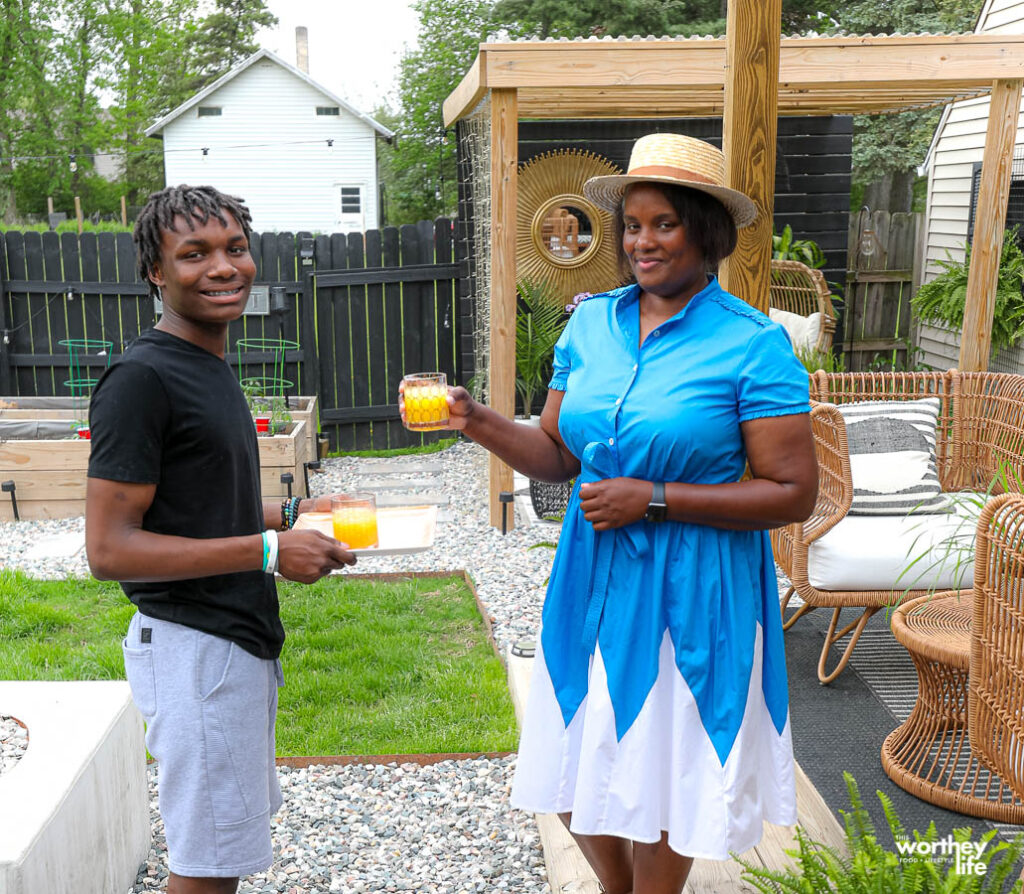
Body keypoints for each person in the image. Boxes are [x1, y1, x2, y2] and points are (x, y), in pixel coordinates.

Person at [404, 133, 818, 893]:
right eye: (632, 224)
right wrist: (476, 420)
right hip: (594, 572)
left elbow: (793, 493)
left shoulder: (753, 345)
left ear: (707, 233)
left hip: (696, 583)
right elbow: (559, 454)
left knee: (665, 764)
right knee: (575, 752)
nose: (642, 241)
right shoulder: (590, 326)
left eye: (663, 223)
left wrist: (655, 498)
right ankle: (615, 885)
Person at [85, 185, 356, 894]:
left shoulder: (206, 364)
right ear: (156, 270)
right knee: (205, 872)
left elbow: (199, 504)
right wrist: (269, 553)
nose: (222, 267)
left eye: (234, 248)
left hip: (230, 644)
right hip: (192, 648)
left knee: (223, 861)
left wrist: (292, 512)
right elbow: (109, 549)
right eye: (194, 253)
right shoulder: (141, 378)